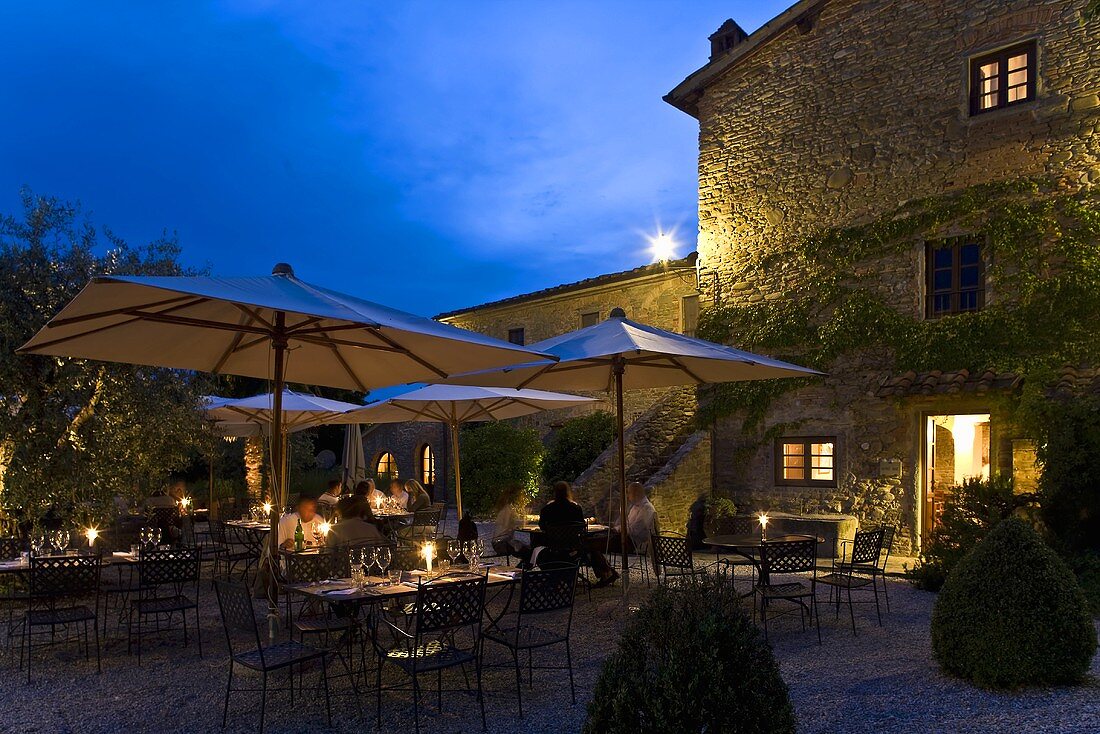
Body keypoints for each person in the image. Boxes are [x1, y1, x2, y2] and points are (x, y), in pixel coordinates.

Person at [538, 481, 618, 587]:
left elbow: (542, 526)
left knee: (537, 549)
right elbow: (581, 528)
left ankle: (553, 576)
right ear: (568, 492)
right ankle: (606, 572)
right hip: (574, 549)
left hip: (553, 548)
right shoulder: (575, 508)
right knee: (591, 545)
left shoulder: (547, 509)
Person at [491, 484, 524, 556]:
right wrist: (523, 523)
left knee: (523, 548)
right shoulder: (507, 510)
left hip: (497, 541)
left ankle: (524, 564)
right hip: (501, 543)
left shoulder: (503, 508)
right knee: (526, 550)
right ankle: (524, 565)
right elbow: (507, 526)